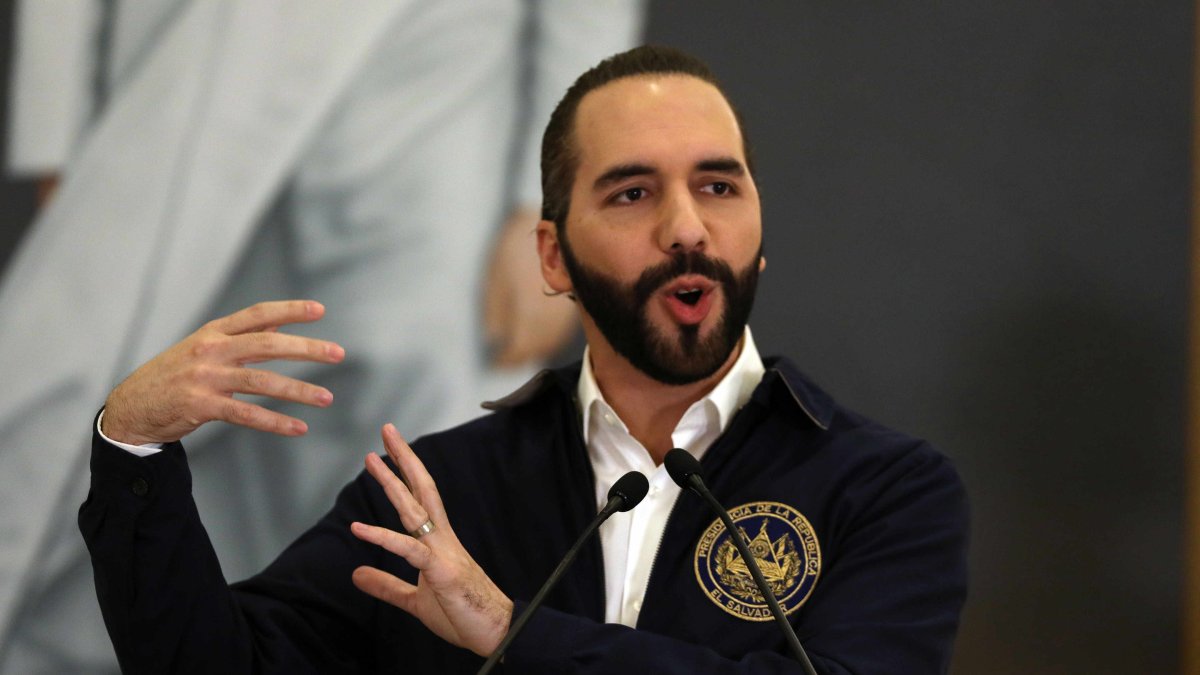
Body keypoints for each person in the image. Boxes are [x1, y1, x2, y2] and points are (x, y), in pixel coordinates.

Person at [81, 46, 969, 673]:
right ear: (552, 257)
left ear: (759, 233)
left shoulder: (884, 487)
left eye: (718, 186)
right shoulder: (439, 492)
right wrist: (133, 452)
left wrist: (509, 630)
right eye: (632, 192)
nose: (688, 228)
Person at [0, 2, 642, 671]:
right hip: (191, 61)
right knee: (157, 421)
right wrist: (55, 125)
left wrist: (545, 201)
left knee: (416, 444)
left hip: (434, 70)